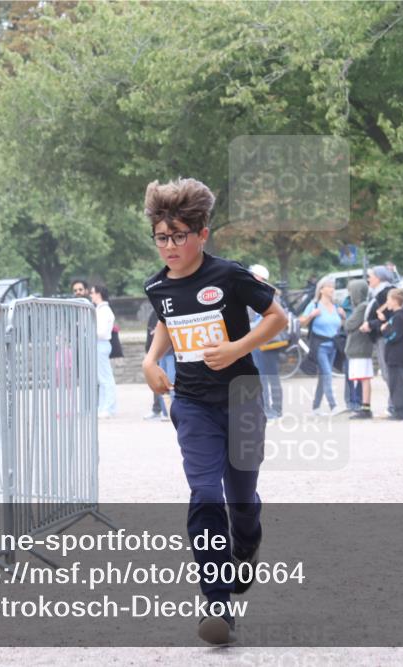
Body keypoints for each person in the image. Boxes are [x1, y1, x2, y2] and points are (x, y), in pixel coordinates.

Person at [141, 177, 287, 645]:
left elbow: (276, 317)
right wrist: (149, 360)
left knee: (241, 497)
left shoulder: (228, 275)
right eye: (162, 237)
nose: (170, 245)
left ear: (202, 234)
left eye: (179, 235)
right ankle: (217, 606)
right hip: (193, 404)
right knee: (205, 496)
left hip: (242, 397)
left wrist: (236, 348)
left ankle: (247, 541)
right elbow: (167, 320)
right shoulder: (156, 287)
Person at [300, 277, 346, 416]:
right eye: (329, 287)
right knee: (327, 374)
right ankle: (333, 406)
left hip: (333, 346)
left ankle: (316, 408)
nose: (332, 289)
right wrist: (311, 316)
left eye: (333, 287)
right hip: (320, 346)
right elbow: (301, 322)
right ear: (321, 290)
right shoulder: (314, 306)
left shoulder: (337, 307)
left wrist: (343, 317)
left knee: (323, 377)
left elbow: (340, 326)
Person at [248, 264, 285, 420]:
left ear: (258, 278)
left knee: (264, 376)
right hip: (265, 340)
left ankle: (271, 410)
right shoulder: (272, 295)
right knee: (270, 376)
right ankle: (274, 409)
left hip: (263, 341)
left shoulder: (262, 295)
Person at [361, 265, 396, 413]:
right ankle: (393, 404)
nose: (369, 279)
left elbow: (388, 318)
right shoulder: (380, 293)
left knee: (388, 373)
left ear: (379, 278)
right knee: (387, 373)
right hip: (380, 336)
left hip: (385, 337)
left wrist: (370, 324)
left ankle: (394, 405)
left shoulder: (385, 294)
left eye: (371, 276)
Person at [345, 279, 374, 419]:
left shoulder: (362, 307)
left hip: (360, 348)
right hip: (360, 348)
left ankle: (365, 407)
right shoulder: (361, 306)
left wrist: (347, 320)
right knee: (362, 378)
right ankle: (364, 406)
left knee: (363, 379)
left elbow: (349, 324)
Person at [380, 288, 403, 420]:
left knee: (397, 384)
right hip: (394, 355)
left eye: (388, 300)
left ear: (395, 301)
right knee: (394, 383)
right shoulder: (396, 316)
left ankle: (400, 411)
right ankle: (397, 410)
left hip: (397, 355)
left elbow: (393, 335)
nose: (387, 303)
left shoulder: (399, 317)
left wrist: (384, 329)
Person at [88, 284, 118, 418]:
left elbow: (102, 332)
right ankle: (102, 407)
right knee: (102, 378)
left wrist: (88, 332)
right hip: (98, 344)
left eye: (92, 293)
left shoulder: (105, 310)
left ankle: (108, 408)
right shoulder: (100, 310)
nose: (91, 295)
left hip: (101, 344)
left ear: (99, 294)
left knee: (106, 378)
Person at [143, 310, 175, 421]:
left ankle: (174, 411)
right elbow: (150, 332)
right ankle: (165, 412)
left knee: (171, 381)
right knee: (161, 384)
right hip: (162, 355)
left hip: (171, 353)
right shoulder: (154, 312)